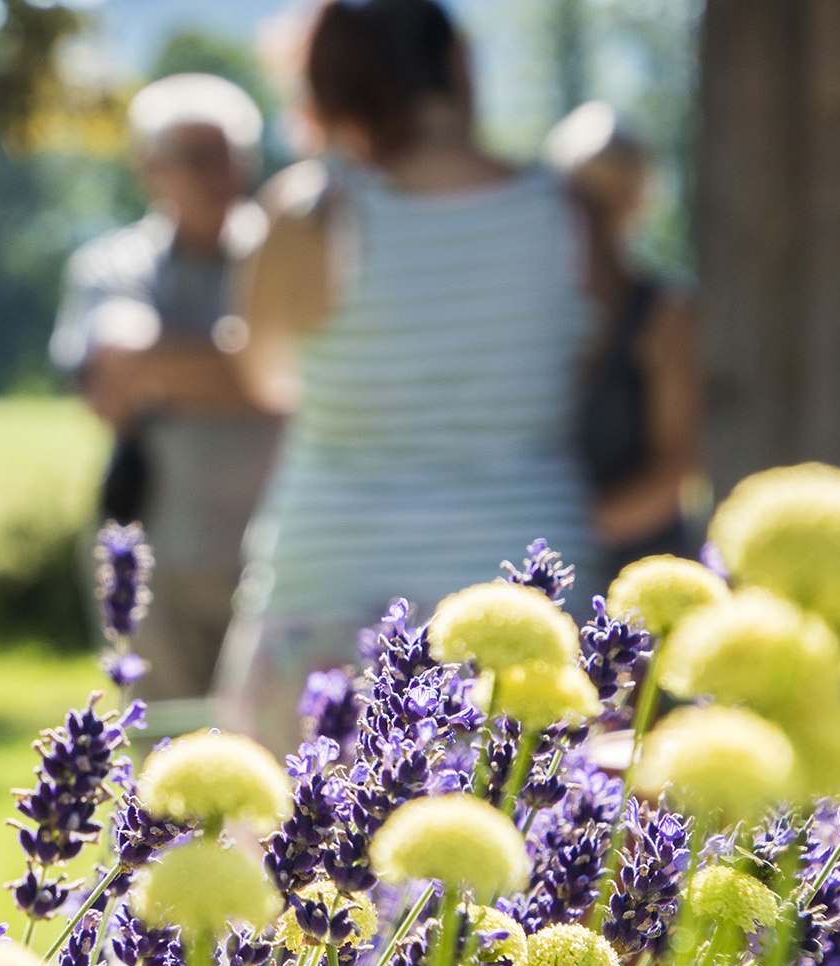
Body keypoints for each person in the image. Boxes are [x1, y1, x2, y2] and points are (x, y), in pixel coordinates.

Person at [219, 0, 599, 751]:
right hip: (523, 590)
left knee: (303, 858)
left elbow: (265, 376)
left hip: (326, 580)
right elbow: (590, 371)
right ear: (459, 64)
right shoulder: (567, 211)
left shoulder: (310, 213)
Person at [50, 73, 281, 703]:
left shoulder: (285, 256)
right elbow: (115, 374)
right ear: (151, 168)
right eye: (197, 158)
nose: (220, 175)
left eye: (231, 158)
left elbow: (306, 380)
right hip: (154, 561)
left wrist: (168, 375)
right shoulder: (115, 263)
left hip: (278, 557)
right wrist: (252, 369)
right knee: (164, 761)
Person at [545, 101, 703, 576]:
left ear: (636, 201)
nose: (589, 217)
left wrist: (555, 536)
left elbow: (677, 470)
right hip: (545, 578)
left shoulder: (665, 316)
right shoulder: (535, 317)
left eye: (606, 199)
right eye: (579, 197)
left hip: (641, 583)